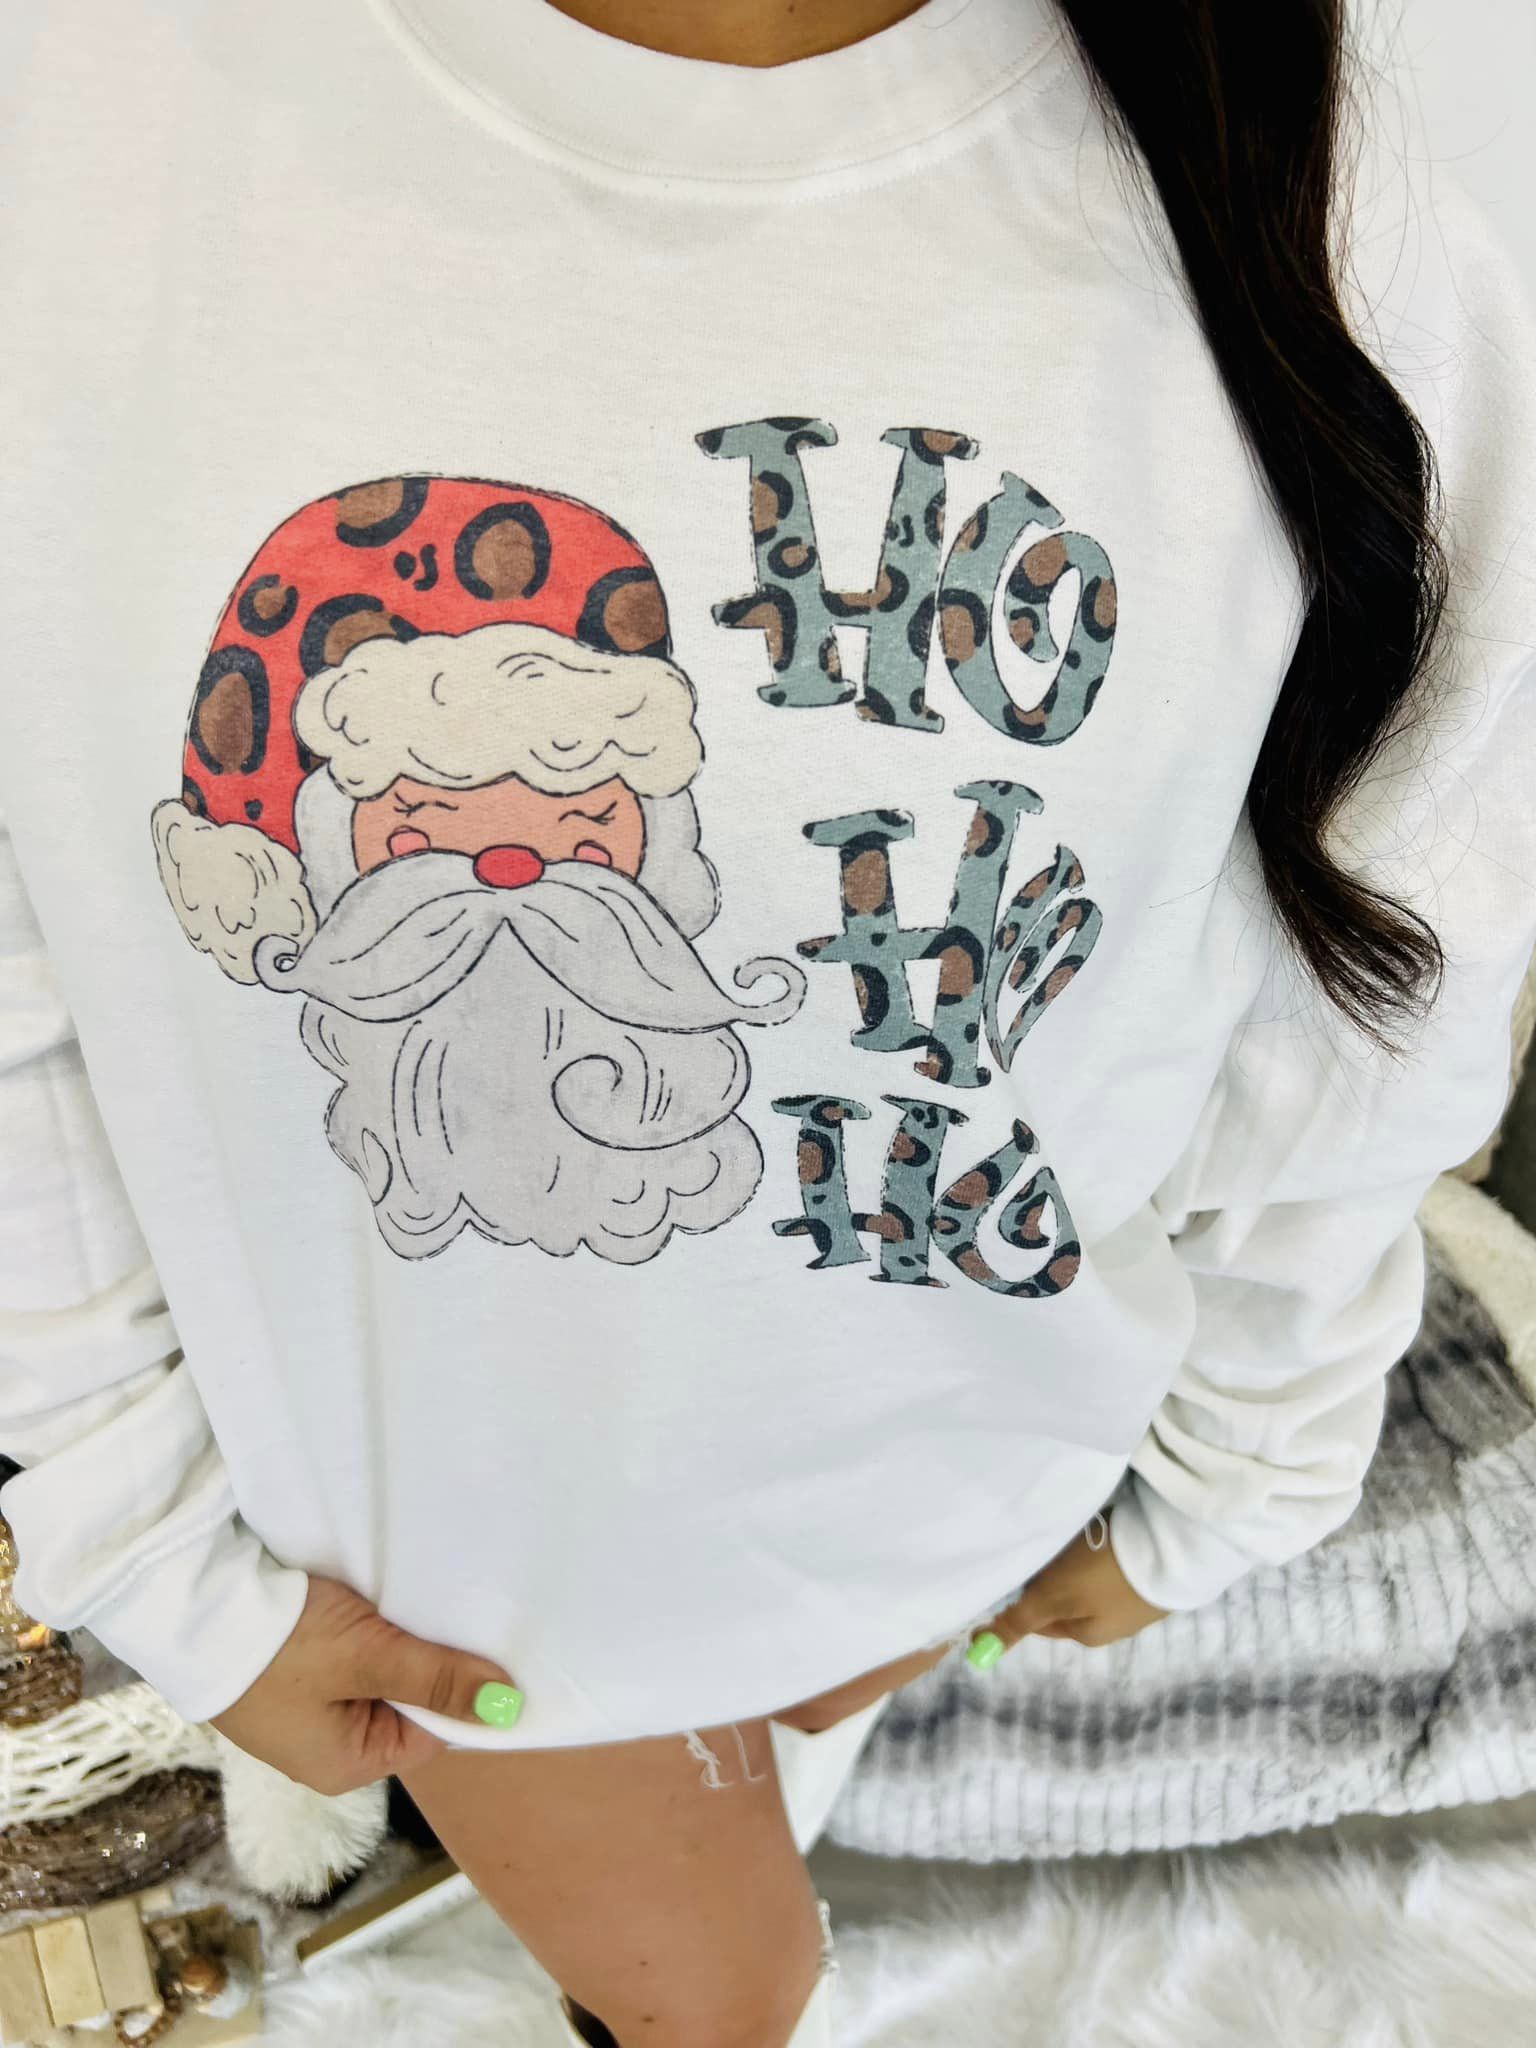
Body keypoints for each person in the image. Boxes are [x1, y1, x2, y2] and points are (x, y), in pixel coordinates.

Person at [1, 1, 1533, 2041]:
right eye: (434, 822)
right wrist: (156, 1559)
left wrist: (1236, 1473)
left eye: (569, 807)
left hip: (966, 1509)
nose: (513, 867)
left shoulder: (1335, 226)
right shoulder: (77, 137)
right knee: (727, 1997)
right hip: (448, 1602)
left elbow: (1377, 994)